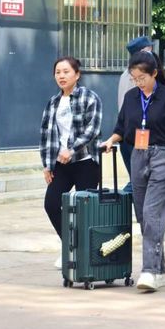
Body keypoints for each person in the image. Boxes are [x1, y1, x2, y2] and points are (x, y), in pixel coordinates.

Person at [102, 51, 165, 292]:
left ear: (154, 74)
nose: (138, 82)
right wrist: (110, 140)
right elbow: (121, 127)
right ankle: (160, 270)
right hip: (137, 156)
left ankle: (149, 270)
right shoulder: (131, 97)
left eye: (142, 78)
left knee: (152, 213)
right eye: (134, 78)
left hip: (163, 156)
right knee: (143, 215)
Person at [40, 56, 102, 269]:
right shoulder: (53, 102)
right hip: (61, 164)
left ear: (77, 74)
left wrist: (72, 149)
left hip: (86, 162)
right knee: (51, 204)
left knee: (84, 210)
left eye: (66, 72)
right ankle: (69, 246)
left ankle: (86, 254)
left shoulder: (89, 97)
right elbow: (46, 135)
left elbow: (93, 129)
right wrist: (47, 164)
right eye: (58, 72)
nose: (61, 76)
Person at [118, 36, 165, 192]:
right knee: (138, 183)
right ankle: (123, 202)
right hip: (136, 137)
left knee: (138, 182)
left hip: (130, 135)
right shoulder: (136, 78)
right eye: (148, 51)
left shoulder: (126, 74)